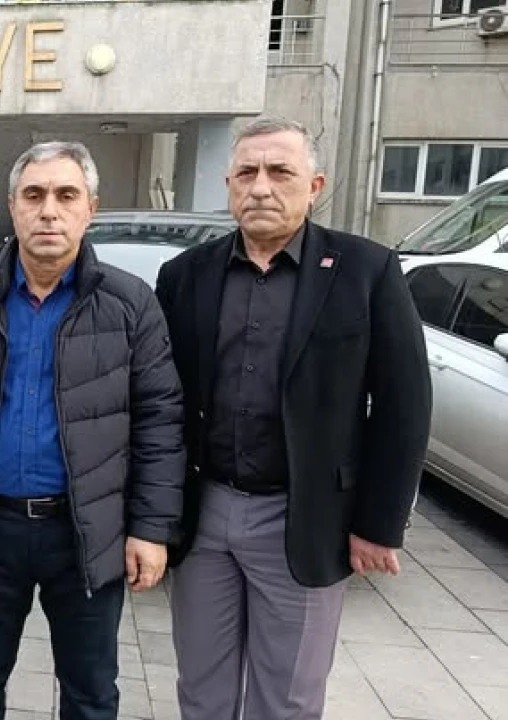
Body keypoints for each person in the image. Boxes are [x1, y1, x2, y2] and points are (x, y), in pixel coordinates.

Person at [154, 116, 432, 720]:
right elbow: (160, 401)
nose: (261, 187)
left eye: (280, 172)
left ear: (314, 185)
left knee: (288, 699)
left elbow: (404, 405)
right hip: (204, 513)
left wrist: (380, 524)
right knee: (200, 688)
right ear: (229, 184)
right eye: (246, 173)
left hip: (304, 516)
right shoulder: (185, 275)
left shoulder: (366, 271)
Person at [0, 141, 186, 720]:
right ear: (12, 206)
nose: (49, 211)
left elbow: (160, 419)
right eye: (34, 195)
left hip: (86, 532)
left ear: (90, 208)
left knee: (90, 690)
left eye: (66, 195)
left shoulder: (130, 304)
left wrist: (150, 528)